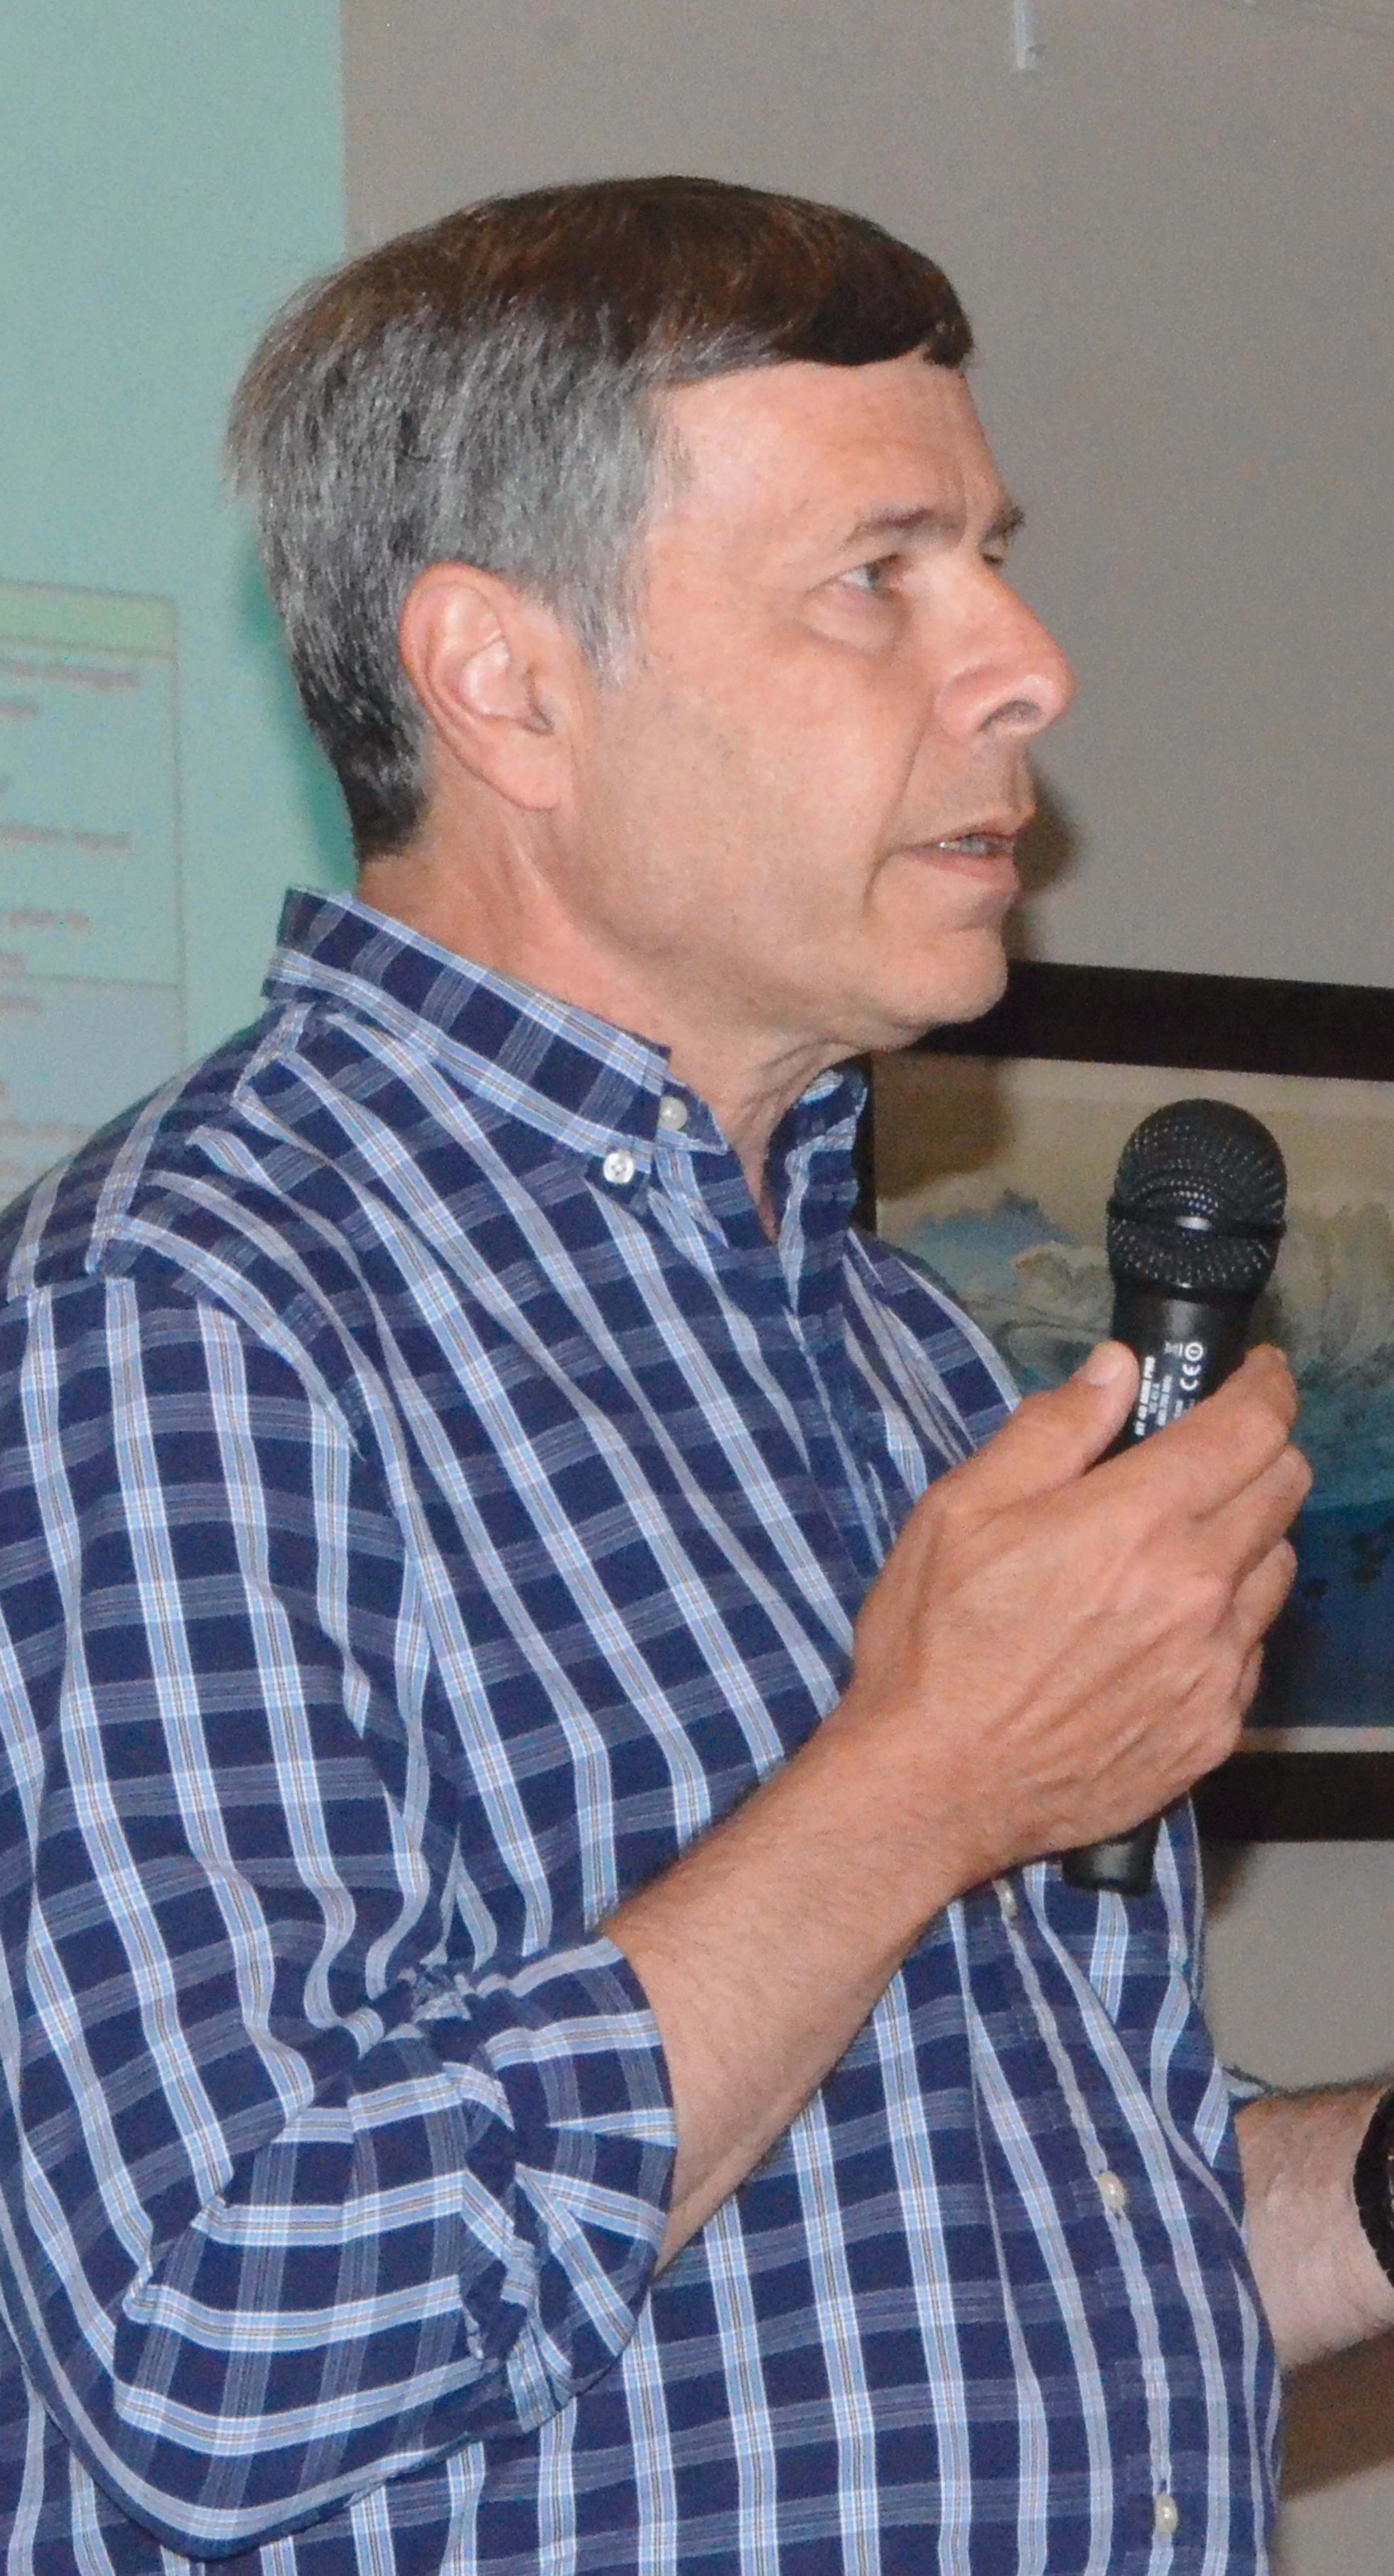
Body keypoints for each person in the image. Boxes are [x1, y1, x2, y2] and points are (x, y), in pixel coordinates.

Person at [0, 176, 1388, 2576]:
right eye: (880, 575)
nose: (1026, 664)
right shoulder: (185, 1315)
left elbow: (960, 2291)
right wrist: (925, 1778)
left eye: (991, 559)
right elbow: (211, 2337)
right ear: (503, 683)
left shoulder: (902, 1349)